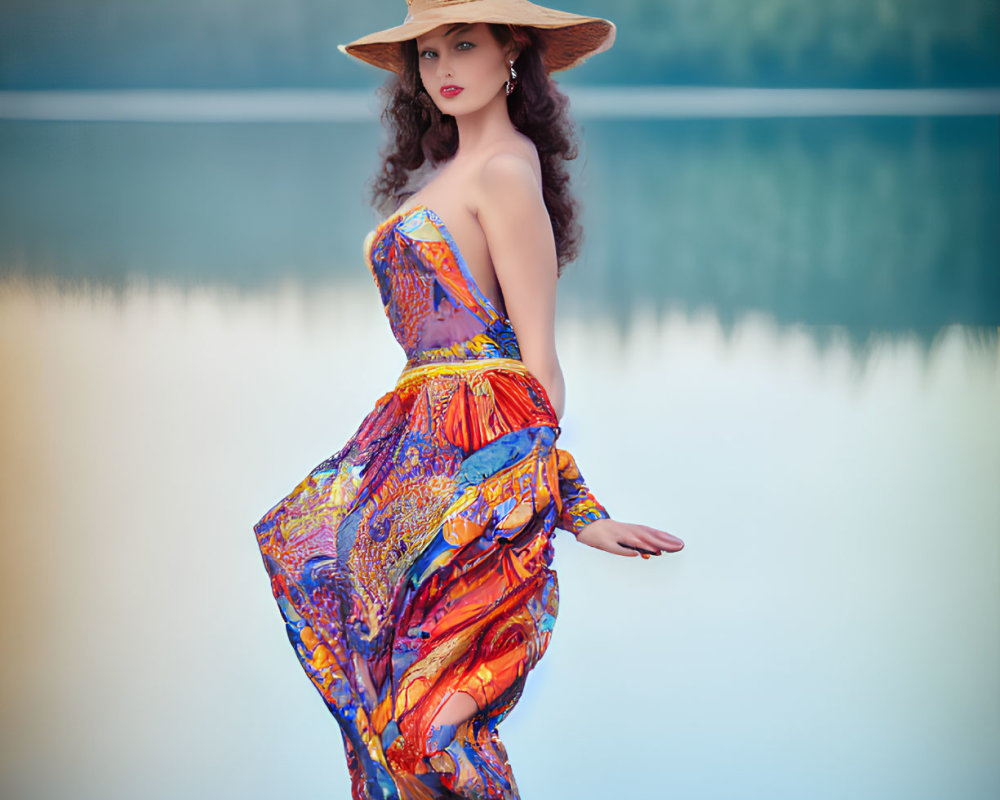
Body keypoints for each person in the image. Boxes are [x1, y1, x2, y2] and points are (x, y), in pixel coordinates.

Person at [254, 2, 684, 798]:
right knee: (388, 709)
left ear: (510, 51)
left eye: (464, 44)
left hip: (476, 481)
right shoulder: (448, 173)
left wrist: (566, 507)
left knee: (433, 727)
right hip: (408, 468)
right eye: (427, 54)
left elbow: (538, 368)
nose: (444, 67)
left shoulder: (505, 174)